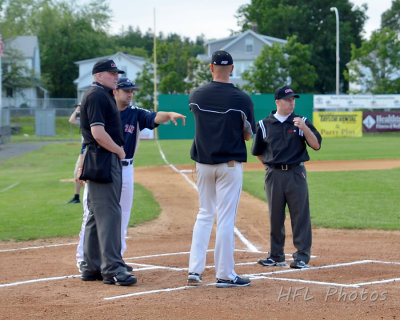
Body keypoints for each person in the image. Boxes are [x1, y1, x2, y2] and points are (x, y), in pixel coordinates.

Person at [75, 77, 185, 272]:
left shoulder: (135, 114)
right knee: (90, 213)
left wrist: (168, 114)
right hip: (101, 165)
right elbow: (88, 141)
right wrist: (82, 166)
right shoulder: (104, 110)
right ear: (115, 92)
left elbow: (153, 117)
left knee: (122, 215)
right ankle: (84, 259)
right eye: (127, 91)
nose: (130, 94)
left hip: (125, 168)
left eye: (132, 91)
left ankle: (116, 259)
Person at [187, 50, 255, 288]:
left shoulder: (196, 94)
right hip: (229, 164)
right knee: (225, 219)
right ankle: (225, 274)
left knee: (204, 214)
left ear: (211, 68)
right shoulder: (243, 99)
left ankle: (194, 271)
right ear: (233, 69)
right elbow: (248, 134)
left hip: (203, 163)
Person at [79, 58, 137, 286]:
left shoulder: (101, 94)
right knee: (110, 214)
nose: (116, 76)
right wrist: (119, 151)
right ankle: (112, 268)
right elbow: (97, 133)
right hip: (103, 159)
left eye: (116, 73)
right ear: (98, 75)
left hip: (99, 159)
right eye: (111, 73)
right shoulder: (97, 95)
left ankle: (91, 265)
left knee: (96, 214)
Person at [251, 85, 322, 269]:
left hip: (296, 173)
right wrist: (270, 167)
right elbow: (258, 152)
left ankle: (301, 257)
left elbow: (316, 146)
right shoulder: (264, 124)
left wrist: (304, 128)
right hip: (274, 174)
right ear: (277, 102)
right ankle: (276, 256)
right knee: (275, 216)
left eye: (293, 100)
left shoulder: (301, 121)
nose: (292, 103)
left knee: (300, 216)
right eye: (288, 100)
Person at [66, 104, 83, 204]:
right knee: (77, 173)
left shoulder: (89, 120)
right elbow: (71, 120)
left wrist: (79, 108)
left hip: (88, 151)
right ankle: (76, 197)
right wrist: (78, 108)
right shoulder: (84, 120)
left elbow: (72, 120)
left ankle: (79, 197)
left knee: (81, 173)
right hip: (83, 151)